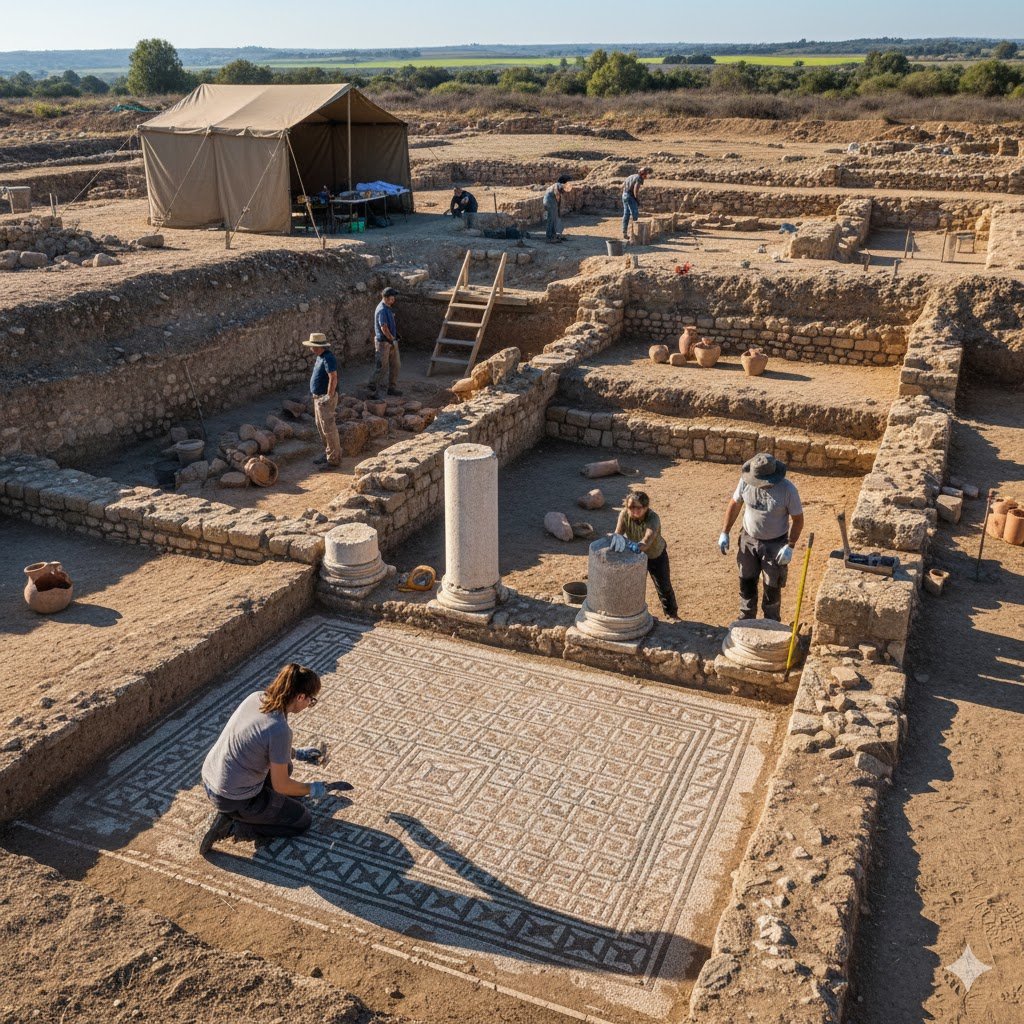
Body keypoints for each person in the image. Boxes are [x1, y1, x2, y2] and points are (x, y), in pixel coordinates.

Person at [198, 663, 350, 854]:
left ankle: (241, 814)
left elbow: (262, 742)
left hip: (211, 779)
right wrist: (313, 788)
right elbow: (281, 785)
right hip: (231, 797)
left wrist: (298, 753)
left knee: (285, 767)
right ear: (300, 696)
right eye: (311, 701)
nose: (309, 705)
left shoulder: (256, 697)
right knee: (301, 820)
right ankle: (234, 826)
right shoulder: (279, 729)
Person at [718, 453, 804, 621]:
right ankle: (746, 617)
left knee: (772, 585)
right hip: (748, 540)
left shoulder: (788, 490)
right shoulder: (745, 481)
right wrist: (725, 532)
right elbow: (735, 504)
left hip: (775, 544)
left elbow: (798, 520)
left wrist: (790, 546)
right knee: (746, 580)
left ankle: (771, 621)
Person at [610, 490, 679, 620]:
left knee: (664, 587)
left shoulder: (653, 518)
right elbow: (618, 532)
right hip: (635, 557)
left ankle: (672, 615)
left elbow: (646, 542)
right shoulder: (624, 514)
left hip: (655, 556)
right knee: (633, 586)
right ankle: (632, 615)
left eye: (638, 508)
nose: (634, 510)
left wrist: (631, 545)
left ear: (646, 507)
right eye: (630, 507)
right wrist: (616, 538)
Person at [303, 331, 340, 470]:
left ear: (319, 347)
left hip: (324, 398)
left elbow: (333, 377)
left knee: (328, 429)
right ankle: (328, 454)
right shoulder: (321, 356)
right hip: (318, 397)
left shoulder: (328, 358)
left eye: (312, 346)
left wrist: (328, 396)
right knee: (321, 427)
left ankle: (334, 459)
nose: (311, 349)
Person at [371, 287, 402, 398]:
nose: (394, 299)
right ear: (386, 298)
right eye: (392, 297)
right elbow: (383, 327)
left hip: (390, 341)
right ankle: (372, 389)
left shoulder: (388, 307)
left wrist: (394, 337)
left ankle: (392, 388)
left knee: (396, 365)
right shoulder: (382, 310)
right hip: (384, 343)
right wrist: (392, 338)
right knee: (382, 368)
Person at [621, 166, 652, 242]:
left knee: (626, 214)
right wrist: (637, 200)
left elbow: (622, 185)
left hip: (624, 195)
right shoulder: (639, 178)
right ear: (642, 174)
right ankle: (634, 233)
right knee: (634, 214)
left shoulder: (631, 176)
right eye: (646, 175)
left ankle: (625, 232)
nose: (646, 176)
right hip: (630, 196)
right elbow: (635, 190)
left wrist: (625, 194)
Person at [543, 175, 571, 243]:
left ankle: (553, 236)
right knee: (551, 220)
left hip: (550, 202)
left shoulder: (555, 185)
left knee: (553, 219)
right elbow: (557, 196)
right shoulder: (558, 185)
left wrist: (558, 210)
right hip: (550, 203)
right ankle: (549, 237)